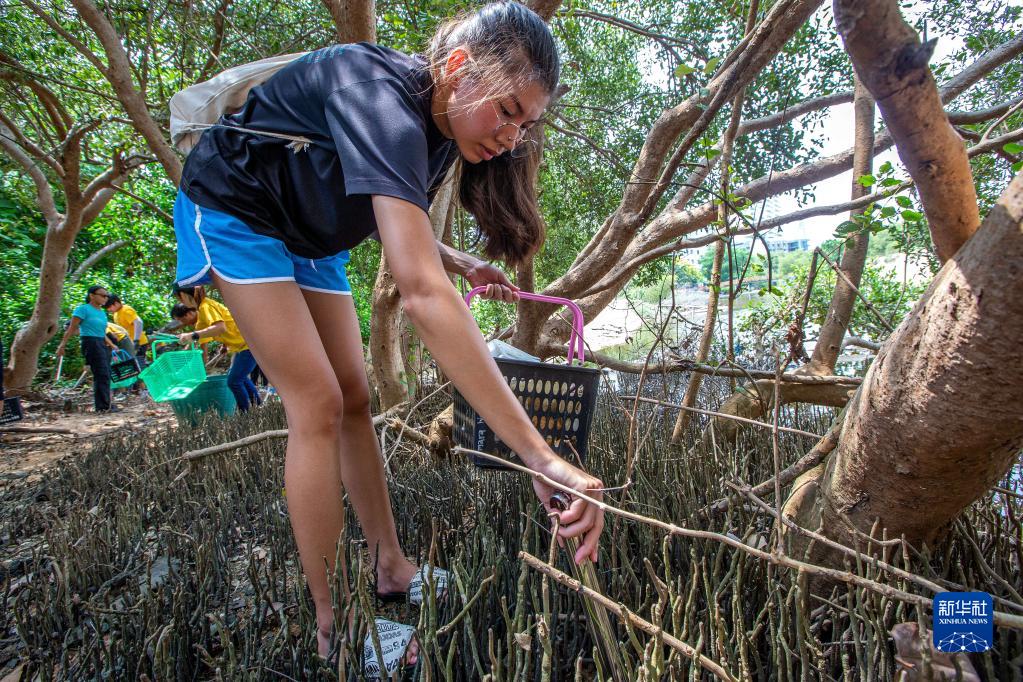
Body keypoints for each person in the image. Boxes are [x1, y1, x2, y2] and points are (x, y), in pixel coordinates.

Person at [172, 2, 603, 672]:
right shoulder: (372, 90)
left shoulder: (436, 130)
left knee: (354, 397)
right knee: (313, 402)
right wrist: (540, 456)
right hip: (237, 208)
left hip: (310, 235)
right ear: (458, 69)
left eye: (526, 123)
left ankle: (390, 566)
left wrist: (455, 259)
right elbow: (421, 292)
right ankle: (334, 629)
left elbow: (385, 209)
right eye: (508, 111)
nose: (512, 137)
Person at [170, 286, 262, 411]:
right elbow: (224, 326)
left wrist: (192, 335)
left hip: (248, 345)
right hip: (243, 346)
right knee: (239, 377)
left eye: (178, 298)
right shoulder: (203, 309)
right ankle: (258, 407)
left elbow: (220, 327)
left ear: (184, 295)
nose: (181, 302)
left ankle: (245, 413)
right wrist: (224, 345)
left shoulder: (205, 306)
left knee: (233, 381)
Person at [55, 285, 120, 412]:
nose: (105, 298)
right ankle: (103, 406)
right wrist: (62, 345)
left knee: (106, 373)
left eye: (107, 296)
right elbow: (71, 328)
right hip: (90, 342)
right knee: (101, 373)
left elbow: (102, 332)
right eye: (102, 295)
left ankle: (105, 404)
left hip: (101, 342)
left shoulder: (102, 313)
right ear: (92, 295)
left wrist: (112, 345)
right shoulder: (83, 309)